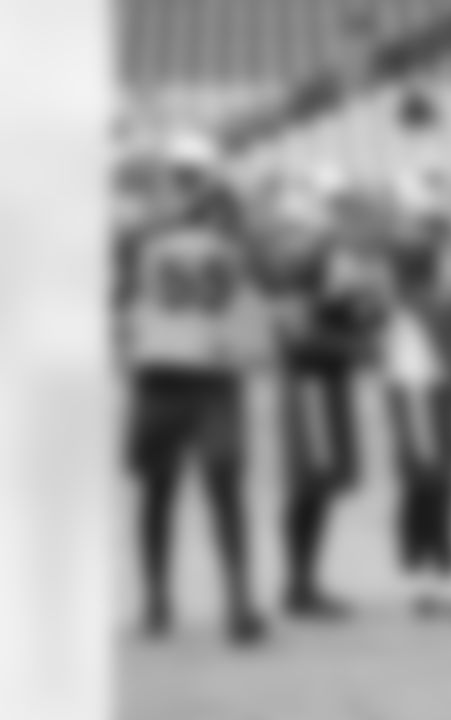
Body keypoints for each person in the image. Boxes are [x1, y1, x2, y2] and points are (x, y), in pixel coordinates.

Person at [117, 132, 267, 645]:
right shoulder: (151, 226)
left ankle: (235, 601)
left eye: (191, 176)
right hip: (171, 369)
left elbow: (257, 268)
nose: (186, 185)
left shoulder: (217, 225)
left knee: (219, 483)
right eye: (182, 175)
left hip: (200, 370)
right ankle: (160, 598)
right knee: (162, 489)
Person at [267, 174, 388, 621]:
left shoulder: (335, 259)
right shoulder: (303, 259)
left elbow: (352, 315)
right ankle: (299, 585)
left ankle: (304, 581)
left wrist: (364, 316)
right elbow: (297, 337)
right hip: (311, 382)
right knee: (310, 484)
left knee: (321, 485)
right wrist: (356, 340)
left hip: (326, 379)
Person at [381, 179, 451, 614]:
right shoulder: (424, 301)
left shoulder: (414, 299)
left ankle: (428, 572)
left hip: (422, 392)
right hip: (423, 393)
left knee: (430, 483)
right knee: (433, 483)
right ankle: (431, 576)